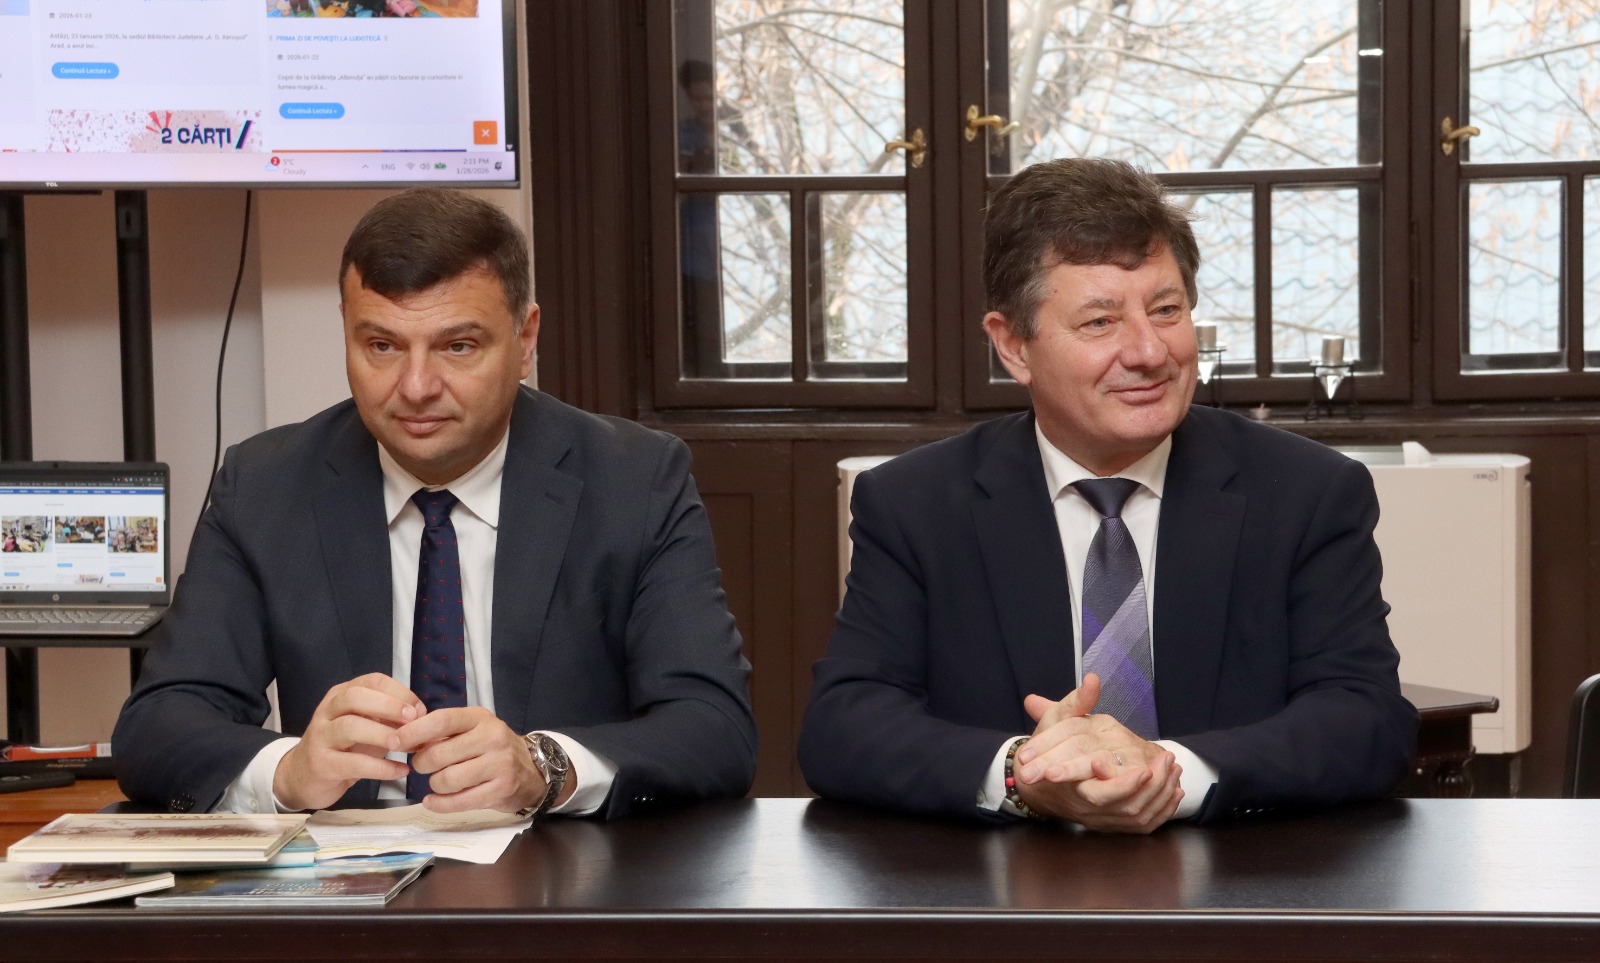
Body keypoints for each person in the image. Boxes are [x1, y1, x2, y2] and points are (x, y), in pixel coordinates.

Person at [801, 157, 1417, 835]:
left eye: (1167, 310)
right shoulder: (914, 505)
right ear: (1014, 347)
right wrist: (1022, 774)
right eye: (1100, 322)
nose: (1150, 351)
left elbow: (1366, 719)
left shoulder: (1307, 493)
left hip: (1238, 881)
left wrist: (1168, 775)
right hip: (999, 886)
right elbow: (843, 727)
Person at [115, 188, 757, 822]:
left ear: (526, 340)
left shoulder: (634, 480)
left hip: (561, 866)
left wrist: (545, 768)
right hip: (346, 875)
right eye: (382, 346)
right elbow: (157, 728)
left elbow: (715, 728)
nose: (416, 387)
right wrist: (288, 771)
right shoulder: (266, 485)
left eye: (458, 346)